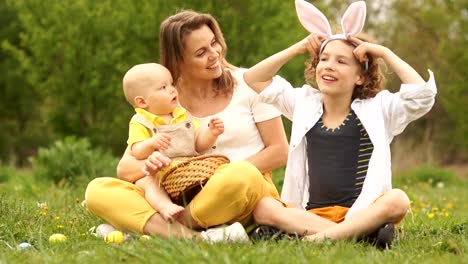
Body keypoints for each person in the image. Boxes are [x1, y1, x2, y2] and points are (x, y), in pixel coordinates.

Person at [244, 0, 437, 248]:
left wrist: (384, 52)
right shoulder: (303, 103)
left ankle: (307, 240)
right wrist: (299, 47)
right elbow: (254, 78)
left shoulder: (379, 108)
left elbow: (422, 97)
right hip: (311, 215)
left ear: (360, 76)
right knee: (264, 206)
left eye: (341, 61)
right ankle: (356, 236)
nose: (329, 66)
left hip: (361, 212)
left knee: (398, 200)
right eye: (324, 59)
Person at [84, 9, 289, 242]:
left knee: (240, 173)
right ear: (178, 60)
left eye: (214, 43)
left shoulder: (249, 82)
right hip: (177, 197)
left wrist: (215, 177)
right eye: (201, 52)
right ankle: (200, 239)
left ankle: (158, 228)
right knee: (98, 190)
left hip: (236, 193)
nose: (214, 54)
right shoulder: (163, 98)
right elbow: (125, 169)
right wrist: (157, 165)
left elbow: (280, 151)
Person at [122, 62, 225, 223]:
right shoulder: (141, 122)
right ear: (142, 102)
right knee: (148, 182)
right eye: (162, 87)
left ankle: (206, 211)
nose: (171, 89)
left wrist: (211, 133)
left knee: (209, 177)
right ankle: (165, 206)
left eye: (171, 84)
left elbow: (198, 143)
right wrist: (151, 143)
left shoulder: (182, 114)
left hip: (186, 171)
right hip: (158, 173)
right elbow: (137, 151)